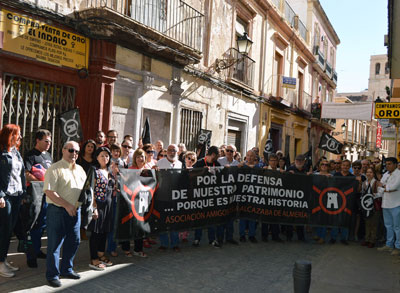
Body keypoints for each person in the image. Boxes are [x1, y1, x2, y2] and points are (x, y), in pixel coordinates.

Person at [43, 141, 87, 287]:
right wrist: (67, 205)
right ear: (63, 150)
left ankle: (67, 269)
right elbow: (50, 192)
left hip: (76, 211)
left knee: (74, 241)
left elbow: (85, 190)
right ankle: (52, 275)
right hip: (58, 211)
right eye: (71, 150)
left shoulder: (80, 169)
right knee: (54, 244)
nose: (74, 154)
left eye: (76, 151)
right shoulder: (54, 169)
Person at [24, 129, 53, 268]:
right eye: (46, 141)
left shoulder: (48, 155)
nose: (49, 144)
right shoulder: (30, 155)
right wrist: (41, 183)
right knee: (33, 224)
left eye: (50, 141)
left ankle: (37, 250)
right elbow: (26, 174)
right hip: (34, 196)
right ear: (38, 140)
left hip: (47, 196)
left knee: (42, 225)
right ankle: (31, 256)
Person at [0, 124, 26, 278]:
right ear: (10, 135)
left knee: (9, 230)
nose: (20, 137)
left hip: (16, 195)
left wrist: (22, 194)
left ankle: (3, 259)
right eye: (18, 134)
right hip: (6, 196)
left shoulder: (16, 153)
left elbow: (20, 175)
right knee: (4, 230)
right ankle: (0, 262)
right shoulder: (2, 153)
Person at [87, 147, 115, 270]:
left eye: (107, 156)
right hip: (98, 205)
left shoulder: (109, 170)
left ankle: (101, 254)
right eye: (102, 155)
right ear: (97, 157)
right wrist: (94, 208)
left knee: (104, 231)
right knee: (95, 233)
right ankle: (94, 259)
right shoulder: (94, 170)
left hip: (108, 205)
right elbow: (91, 190)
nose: (105, 158)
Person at [192, 146, 224, 248]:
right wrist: (201, 171)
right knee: (200, 218)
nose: (219, 157)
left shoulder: (217, 164)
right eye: (218, 155)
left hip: (212, 197)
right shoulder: (200, 163)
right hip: (201, 196)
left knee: (212, 219)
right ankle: (197, 239)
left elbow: (221, 177)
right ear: (213, 155)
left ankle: (212, 240)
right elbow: (191, 175)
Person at [157, 145, 182, 251]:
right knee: (162, 220)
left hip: (175, 197)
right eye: (170, 150)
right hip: (162, 196)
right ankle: (163, 243)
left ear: (177, 152)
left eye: (174, 151)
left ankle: (175, 243)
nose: (172, 152)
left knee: (174, 220)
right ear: (167, 151)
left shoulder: (180, 164)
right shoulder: (160, 163)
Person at [377, 157, 400, 255]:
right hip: (385, 204)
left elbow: (393, 187)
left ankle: (398, 247)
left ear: (395, 164)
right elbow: (379, 187)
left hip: (396, 204)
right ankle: (389, 244)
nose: (387, 166)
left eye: (390, 164)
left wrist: (384, 187)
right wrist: (385, 188)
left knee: (397, 227)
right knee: (388, 226)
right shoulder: (385, 174)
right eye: (386, 164)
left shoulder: (399, 174)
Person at [285, 155, 310, 242]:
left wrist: (310, 175)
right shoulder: (290, 169)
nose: (299, 162)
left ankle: (301, 236)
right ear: (295, 161)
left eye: (301, 160)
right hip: (291, 197)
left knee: (301, 217)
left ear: (304, 161)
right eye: (297, 160)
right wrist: (288, 174)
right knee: (290, 217)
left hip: (302, 198)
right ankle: (289, 236)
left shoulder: (306, 170)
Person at [330, 159, 354, 245]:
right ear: (341, 166)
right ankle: (333, 237)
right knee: (335, 219)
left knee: (345, 219)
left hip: (347, 201)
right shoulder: (336, 175)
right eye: (344, 165)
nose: (345, 167)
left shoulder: (352, 177)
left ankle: (344, 238)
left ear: (349, 167)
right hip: (336, 200)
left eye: (347, 166)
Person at [238, 149, 259, 243]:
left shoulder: (258, 168)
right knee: (242, 216)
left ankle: (251, 235)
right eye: (248, 155)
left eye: (251, 156)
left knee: (252, 216)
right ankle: (242, 235)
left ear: (255, 157)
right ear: (246, 156)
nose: (249, 157)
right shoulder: (241, 167)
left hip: (254, 195)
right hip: (243, 195)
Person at [261, 154, 283, 242]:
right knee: (265, 217)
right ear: (269, 161)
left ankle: (275, 235)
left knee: (275, 217)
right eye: (271, 160)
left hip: (276, 198)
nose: (273, 162)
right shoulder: (264, 170)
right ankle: (264, 236)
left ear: (277, 162)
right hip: (266, 198)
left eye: (275, 160)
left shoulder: (280, 171)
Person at [313, 159, 332, 244]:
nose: (324, 166)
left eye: (326, 165)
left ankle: (322, 236)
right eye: (322, 164)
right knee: (317, 217)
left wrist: (330, 179)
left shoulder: (331, 176)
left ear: (328, 167)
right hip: (316, 199)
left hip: (326, 199)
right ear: (320, 166)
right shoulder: (315, 175)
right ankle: (317, 234)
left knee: (324, 218)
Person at [361, 167, 380, 248]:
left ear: (374, 174)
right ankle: (367, 239)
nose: (369, 174)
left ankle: (372, 240)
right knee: (367, 223)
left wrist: (373, 195)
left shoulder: (377, 183)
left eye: (371, 172)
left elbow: (381, 193)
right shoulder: (364, 183)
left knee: (374, 223)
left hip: (374, 206)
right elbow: (362, 193)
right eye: (367, 172)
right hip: (366, 206)